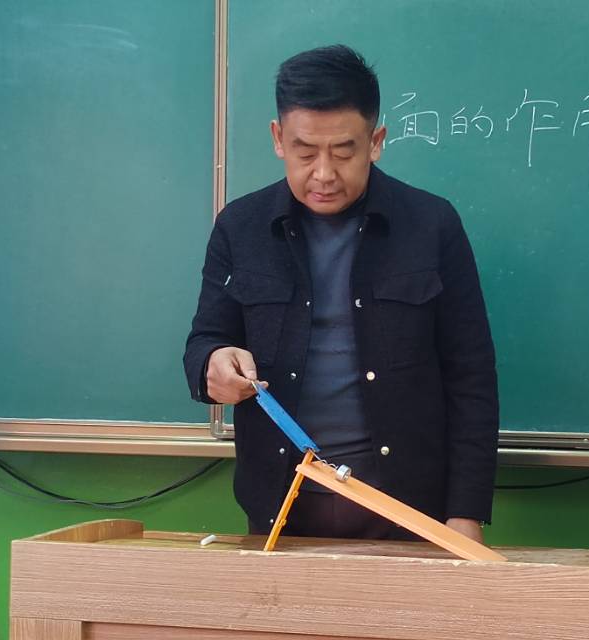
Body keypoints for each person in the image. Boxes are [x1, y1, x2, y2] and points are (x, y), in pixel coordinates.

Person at [183, 45, 498, 542]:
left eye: (344, 152)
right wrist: (213, 365)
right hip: (279, 511)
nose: (324, 174)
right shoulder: (239, 228)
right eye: (306, 152)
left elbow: (471, 375)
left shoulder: (432, 225)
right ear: (278, 139)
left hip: (409, 512)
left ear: (376, 142)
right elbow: (204, 342)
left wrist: (466, 512)